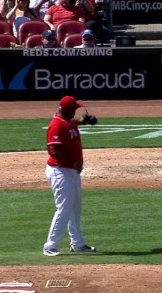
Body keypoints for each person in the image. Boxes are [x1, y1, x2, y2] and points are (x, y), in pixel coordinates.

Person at [43, 95, 98, 257]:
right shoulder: (56, 125)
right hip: (60, 171)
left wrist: (83, 121)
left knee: (75, 208)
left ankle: (78, 244)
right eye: (73, 109)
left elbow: (72, 124)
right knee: (64, 208)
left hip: (70, 171)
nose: (75, 111)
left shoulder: (67, 122)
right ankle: (50, 246)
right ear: (65, 109)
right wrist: (71, 162)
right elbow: (53, 150)